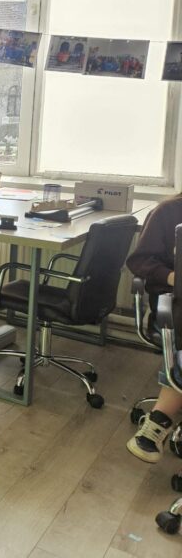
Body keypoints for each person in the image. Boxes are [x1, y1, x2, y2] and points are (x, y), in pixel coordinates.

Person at [125, 196, 182, 463]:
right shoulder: (168, 212)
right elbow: (139, 261)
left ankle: (158, 421)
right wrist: (174, 277)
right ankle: (160, 420)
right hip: (173, 304)